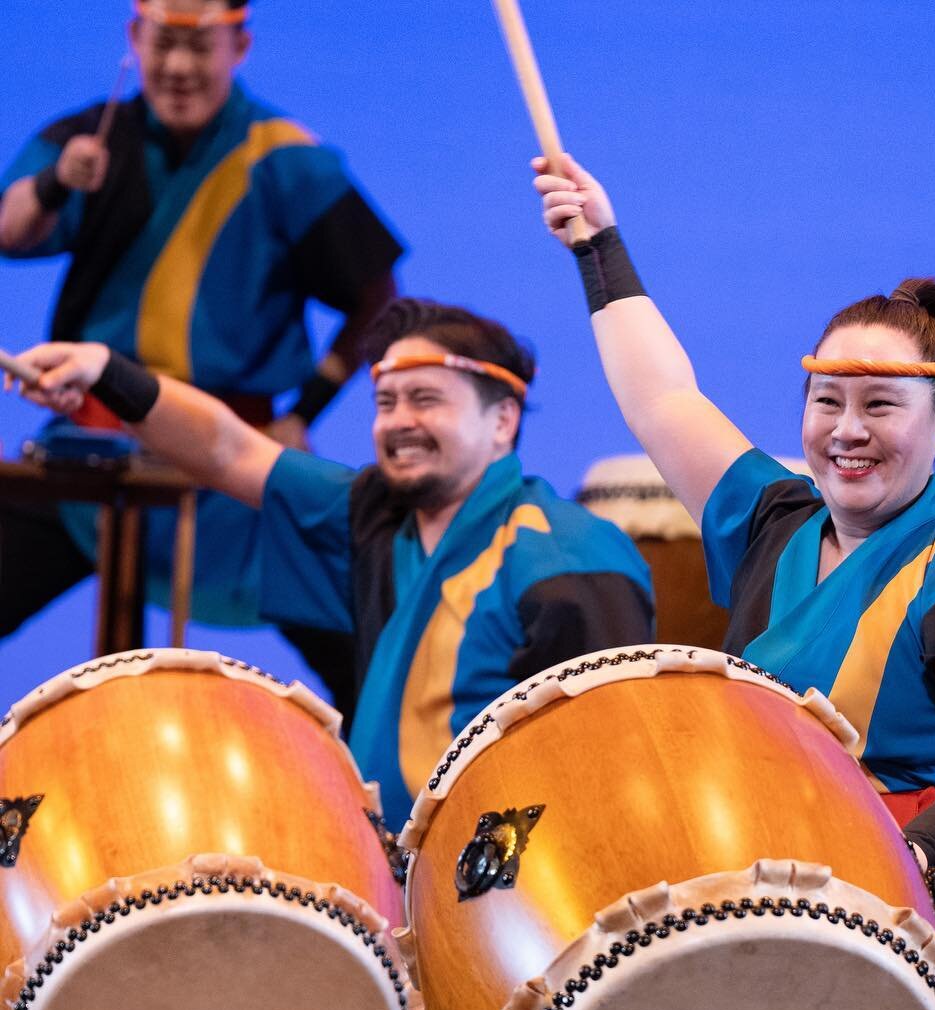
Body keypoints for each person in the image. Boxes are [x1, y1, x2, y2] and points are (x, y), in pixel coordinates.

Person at [532, 155, 935, 1010]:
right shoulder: (774, 517)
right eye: (828, 400)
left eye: (881, 404)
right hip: (781, 912)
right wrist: (597, 244)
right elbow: (662, 396)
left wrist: (907, 853)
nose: (847, 429)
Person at [9, 298, 655, 831]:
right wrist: (105, 371)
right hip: (389, 879)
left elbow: (604, 770)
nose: (400, 422)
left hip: (505, 902)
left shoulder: (564, 556)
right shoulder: (376, 514)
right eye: (386, 402)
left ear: (503, 420)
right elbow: (230, 452)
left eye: (426, 399)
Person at [0, 0, 402, 718]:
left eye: (199, 46)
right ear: (134, 39)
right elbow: (13, 230)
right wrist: (61, 179)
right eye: (163, 44)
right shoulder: (91, 139)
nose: (179, 67)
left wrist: (304, 412)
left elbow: (376, 299)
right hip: (85, 454)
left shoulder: (286, 159)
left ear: (239, 44)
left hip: (224, 467)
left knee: (375, 658)